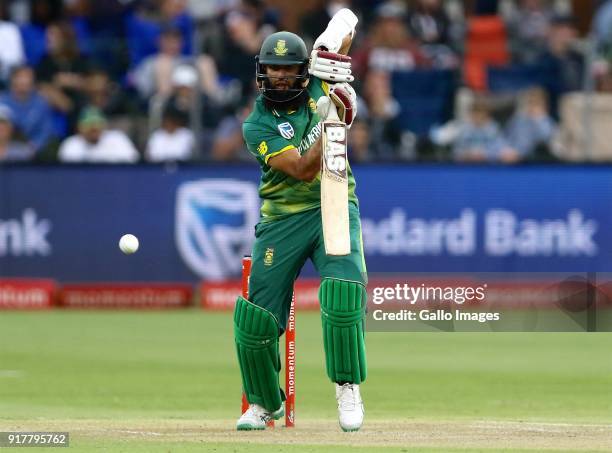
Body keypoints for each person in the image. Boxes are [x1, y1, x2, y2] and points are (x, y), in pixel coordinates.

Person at [235, 11, 367, 432]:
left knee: (343, 295)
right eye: (272, 68)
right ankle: (262, 403)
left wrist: (330, 44)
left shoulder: (318, 80)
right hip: (283, 218)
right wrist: (331, 120)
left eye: (289, 69)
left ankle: (347, 387)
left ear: (302, 70)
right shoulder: (256, 124)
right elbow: (301, 168)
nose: (280, 76)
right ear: (261, 72)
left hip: (333, 201)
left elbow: (348, 20)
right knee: (255, 320)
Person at [58, 107, 139, 163]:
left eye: (97, 123)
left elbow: (131, 167)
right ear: (79, 127)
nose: (93, 128)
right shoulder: (70, 145)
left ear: (104, 125)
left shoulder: (118, 139)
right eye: (88, 124)